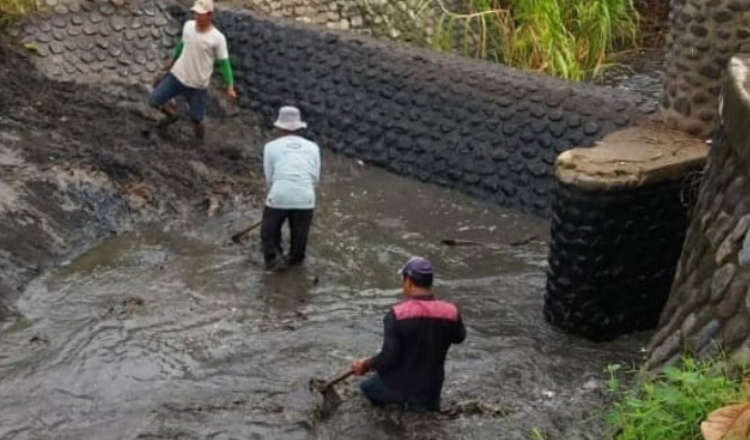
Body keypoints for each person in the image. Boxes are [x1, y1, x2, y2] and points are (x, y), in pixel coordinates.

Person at [352, 257, 466, 412]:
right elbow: (459, 338)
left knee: (366, 388)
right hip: (431, 394)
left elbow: (388, 357)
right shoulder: (451, 312)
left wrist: (365, 365)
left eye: (403, 279)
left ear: (409, 282)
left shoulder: (397, 315)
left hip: (398, 390)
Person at [149, 0, 236, 140]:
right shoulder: (188, 26)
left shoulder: (218, 38)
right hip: (177, 75)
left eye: (200, 14)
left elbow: (224, 63)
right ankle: (172, 115)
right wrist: (171, 61)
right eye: (195, 13)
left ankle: (199, 142)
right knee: (154, 100)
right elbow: (182, 45)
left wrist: (230, 86)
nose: (196, 17)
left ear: (209, 15)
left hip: (197, 84)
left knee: (197, 119)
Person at [260, 106, 321, 271]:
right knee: (299, 238)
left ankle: (274, 263)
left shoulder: (270, 147)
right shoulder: (313, 147)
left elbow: (270, 178)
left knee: (269, 234)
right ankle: (295, 265)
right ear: (299, 127)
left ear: (279, 127)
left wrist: (277, 197)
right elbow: (315, 178)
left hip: (279, 195)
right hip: (305, 198)